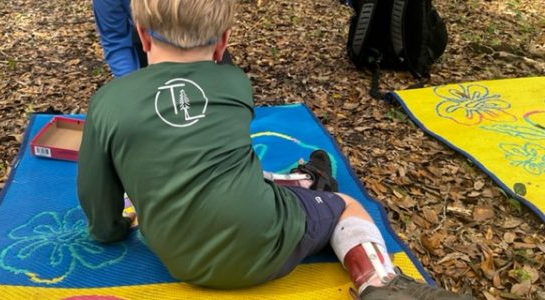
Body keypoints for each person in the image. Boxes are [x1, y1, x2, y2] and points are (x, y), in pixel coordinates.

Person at [77, 1, 473, 299]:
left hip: (182, 259)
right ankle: (380, 282)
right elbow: (213, 155)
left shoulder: (107, 102)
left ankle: (304, 181)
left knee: (228, 177)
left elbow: (96, 194)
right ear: (223, 43)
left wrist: (110, 230)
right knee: (345, 205)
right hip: (263, 239)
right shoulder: (234, 84)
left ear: (142, 34)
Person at [92, 0, 232, 78]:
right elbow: (116, 41)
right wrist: (131, 87)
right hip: (150, 39)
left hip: (200, 37)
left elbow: (215, 21)